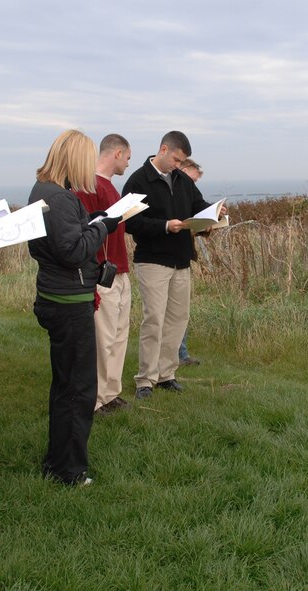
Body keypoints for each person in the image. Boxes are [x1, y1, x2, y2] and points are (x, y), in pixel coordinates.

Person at [27, 129, 120, 485]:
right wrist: (103, 227)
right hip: (69, 301)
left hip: (55, 295)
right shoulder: (61, 197)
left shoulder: (42, 191)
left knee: (65, 384)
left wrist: (91, 221)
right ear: (75, 160)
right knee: (79, 389)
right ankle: (70, 470)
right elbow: (71, 251)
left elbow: (59, 240)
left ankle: (57, 461)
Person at [123, 131, 225, 399]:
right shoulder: (137, 180)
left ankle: (167, 374)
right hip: (153, 260)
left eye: (182, 162)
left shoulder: (182, 180)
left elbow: (198, 204)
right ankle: (145, 379)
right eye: (177, 160)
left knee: (178, 319)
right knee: (154, 320)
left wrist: (213, 212)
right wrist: (165, 226)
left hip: (181, 260)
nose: (179, 166)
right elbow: (129, 224)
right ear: (164, 149)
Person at [75, 134, 133, 415]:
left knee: (119, 335)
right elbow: (88, 229)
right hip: (103, 271)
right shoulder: (90, 185)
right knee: (104, 337)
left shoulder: (111, 187)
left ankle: (111, 391)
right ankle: (95, 398)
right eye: (128, 158)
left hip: (121, 268)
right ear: (117, 153)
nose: (127, 164)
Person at [177, 158, 204, 367]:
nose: (193, 185)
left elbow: (197, 210)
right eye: (192, 179)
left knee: (181, 309)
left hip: (183, 255)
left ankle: (181, 353)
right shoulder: (174, 188)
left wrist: (209, 222)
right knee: (168, 312)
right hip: (164, 258)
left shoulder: (188, 189)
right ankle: (176, 354)